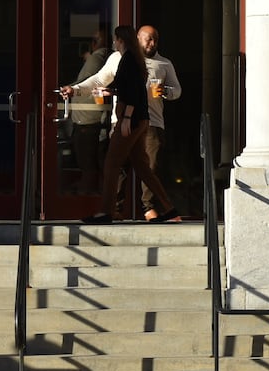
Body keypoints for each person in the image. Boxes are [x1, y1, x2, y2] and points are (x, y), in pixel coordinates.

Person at [84, 26, 179, 224]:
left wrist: (126, 118)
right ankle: (169, 208)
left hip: (131, 120)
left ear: (120, 40)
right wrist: (111, 92)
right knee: (144, 169)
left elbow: (134, 93)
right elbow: (128, 88)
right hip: (140, 120)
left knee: (112, 164)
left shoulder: (129, 60)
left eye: (115, 40)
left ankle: (105, 212)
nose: (113, 44)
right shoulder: (132, 60)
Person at [131, 25, 183, 220]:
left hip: (153, 122)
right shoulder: (124, 60)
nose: (152, 43)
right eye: (148, 39)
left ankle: (148, 207)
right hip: (124, 121)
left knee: (151, 166)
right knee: (119, 166)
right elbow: (102, 79)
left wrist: (166, 92)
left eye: (155, 40)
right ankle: (115, 209)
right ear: (138, 39)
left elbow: (177, 90)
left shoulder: (164, 64)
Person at [66, 28, 113, 194]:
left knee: (88, 165)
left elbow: (87, 82)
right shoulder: (104, 58)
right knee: (96, 163)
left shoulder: (98, 56)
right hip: (95, 119)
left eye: (96, 40)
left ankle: (86, 199)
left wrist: (69, 90)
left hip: (88, 120)